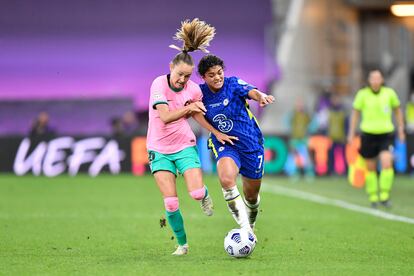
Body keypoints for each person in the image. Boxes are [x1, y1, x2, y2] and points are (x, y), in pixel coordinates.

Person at [146, 19, 236, 256]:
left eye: (187, 77)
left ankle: (205, 195)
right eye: (180, 75)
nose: (182, 80)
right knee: (171, 203)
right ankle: (182, 244)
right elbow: (164, 117)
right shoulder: (159, 84)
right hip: (158, 147)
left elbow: (198, 115)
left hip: (184, 145)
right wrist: (188, 109)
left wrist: (215, 131)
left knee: (195, 193)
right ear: (171, 67)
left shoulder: (194, 90)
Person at [197, 54, 275, 232]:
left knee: (252, 197)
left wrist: (261, 96)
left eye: (219, 72)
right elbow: (196, 113)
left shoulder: (232, 84)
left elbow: (251, 91)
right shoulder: (200, 93)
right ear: (203, 77)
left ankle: (251, 221)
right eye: (211, 75)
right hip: (225, 143)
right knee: (226, 179)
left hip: (250, 143)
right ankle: (246, 230)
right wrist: (216, 133)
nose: (217, 77)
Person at [347, 70, 405, 208]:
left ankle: (384, 195)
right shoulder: (362, 95)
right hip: (368, 134)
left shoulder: (389, 93)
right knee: (371, 167)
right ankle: (373, 196)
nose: (375, 80)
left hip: (386, 134)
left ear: (382, 80)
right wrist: (351, 132)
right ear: (369, 80)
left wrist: (401, 129)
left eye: (378, 78)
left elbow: (397, 111)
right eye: (373, 78)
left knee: (386, 162)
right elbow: (355, 114)